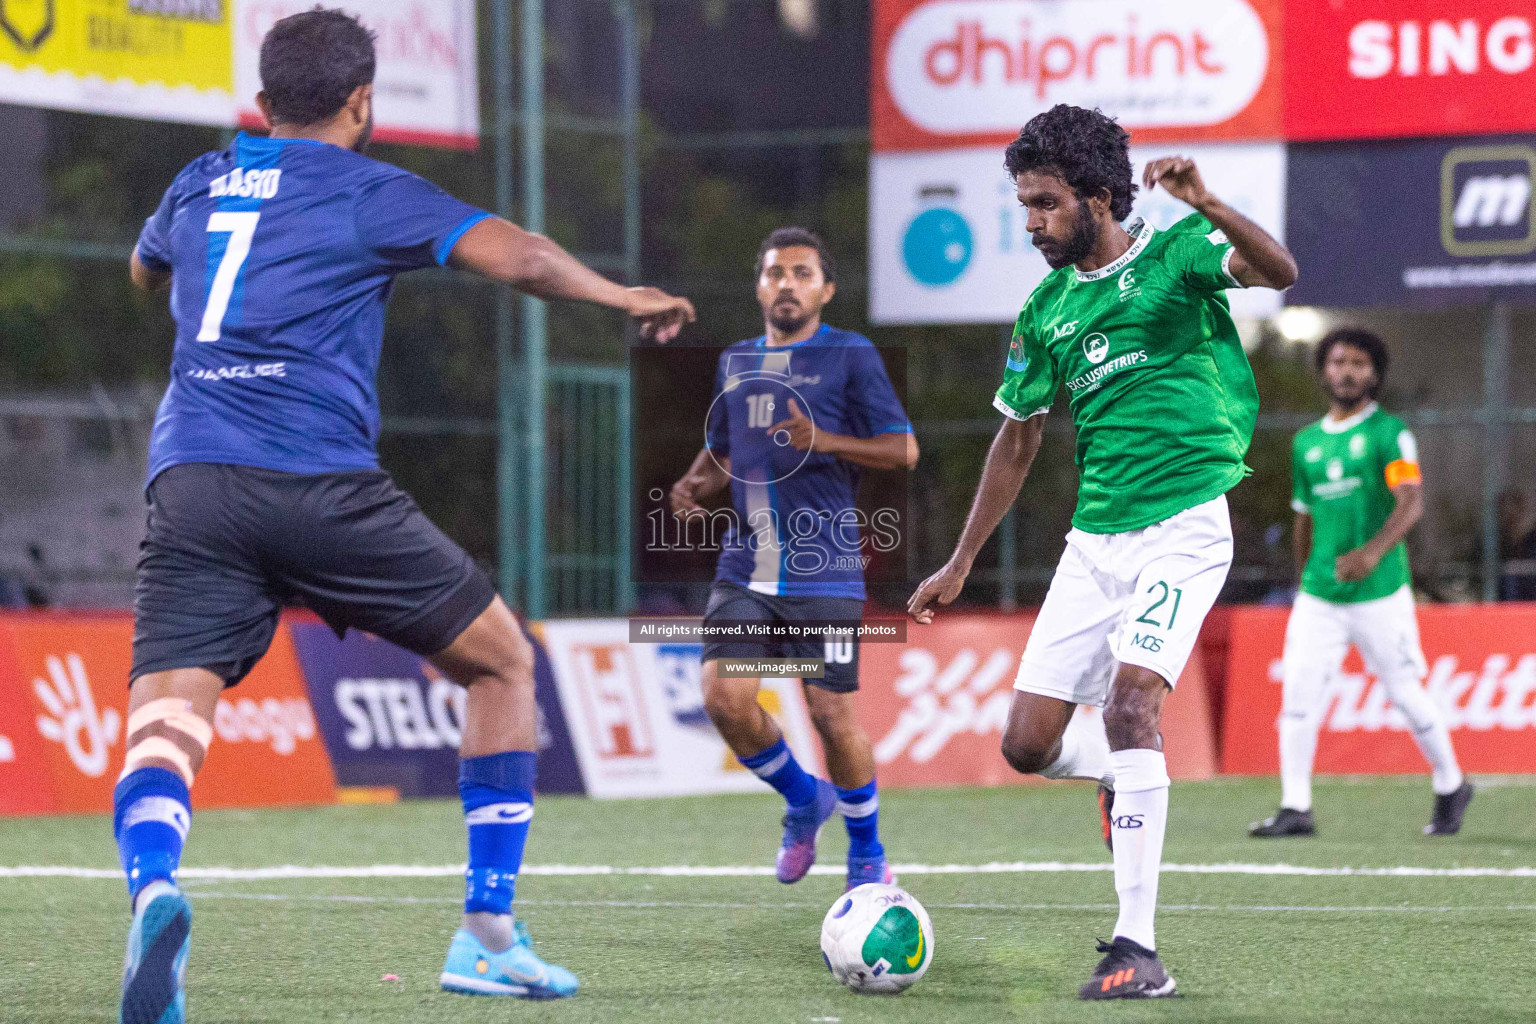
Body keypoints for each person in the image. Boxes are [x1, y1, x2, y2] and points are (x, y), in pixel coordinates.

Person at [115, 9, 694, 1020]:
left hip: (192, 479)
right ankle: (486, 934)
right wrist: (621, 297)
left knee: (167, 712)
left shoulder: (199, 181)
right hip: (318, 484)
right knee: (502, 661)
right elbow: (517, 258)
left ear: (261, 100)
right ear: (361, 102)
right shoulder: (369, 187)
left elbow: (144, 268)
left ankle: (155, 886)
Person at [906, 104, 1297, 1000]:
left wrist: (1211, 203)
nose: (1031, 220)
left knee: (1130, 706)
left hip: (1184, 529)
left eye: (1044, 202)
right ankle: (1120, 779)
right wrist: (961, 560)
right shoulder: (1045, 309)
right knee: (1025, 745)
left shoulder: (1177, 254)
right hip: (1095, 543)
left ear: (1094, 195)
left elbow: (1279, 271)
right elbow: (1016, 440)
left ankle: (1138, 950)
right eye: (1024, 205)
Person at [668, 227, 917, 890]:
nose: (787, 283)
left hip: (825, 567)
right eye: (776, 272)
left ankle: (865, 847)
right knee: (724, 698)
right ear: (759, 286)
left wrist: (825, 438)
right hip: (746, 565)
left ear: (825, 290)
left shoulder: (851, 355)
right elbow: (725, 448)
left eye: (803, 273)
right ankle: (805, 800)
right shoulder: (736, 360)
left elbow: (902, 450)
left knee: (830, 712)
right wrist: (697, 482)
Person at [1251, 328, 1472, 839]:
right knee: (1299, 697)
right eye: (1337, 362)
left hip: (1379, 592)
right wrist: (1303, 578)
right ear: (1324, 371)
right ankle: (1295, 807)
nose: (1347, 371)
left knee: (1404, 693)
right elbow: (1302, 516)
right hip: (1320, 596)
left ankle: (1450, 783)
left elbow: (1411, 501)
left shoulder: (1389, 434)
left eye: (1358, 363)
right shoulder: (1305, 442)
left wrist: (1372, 553)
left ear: (1374, 374)